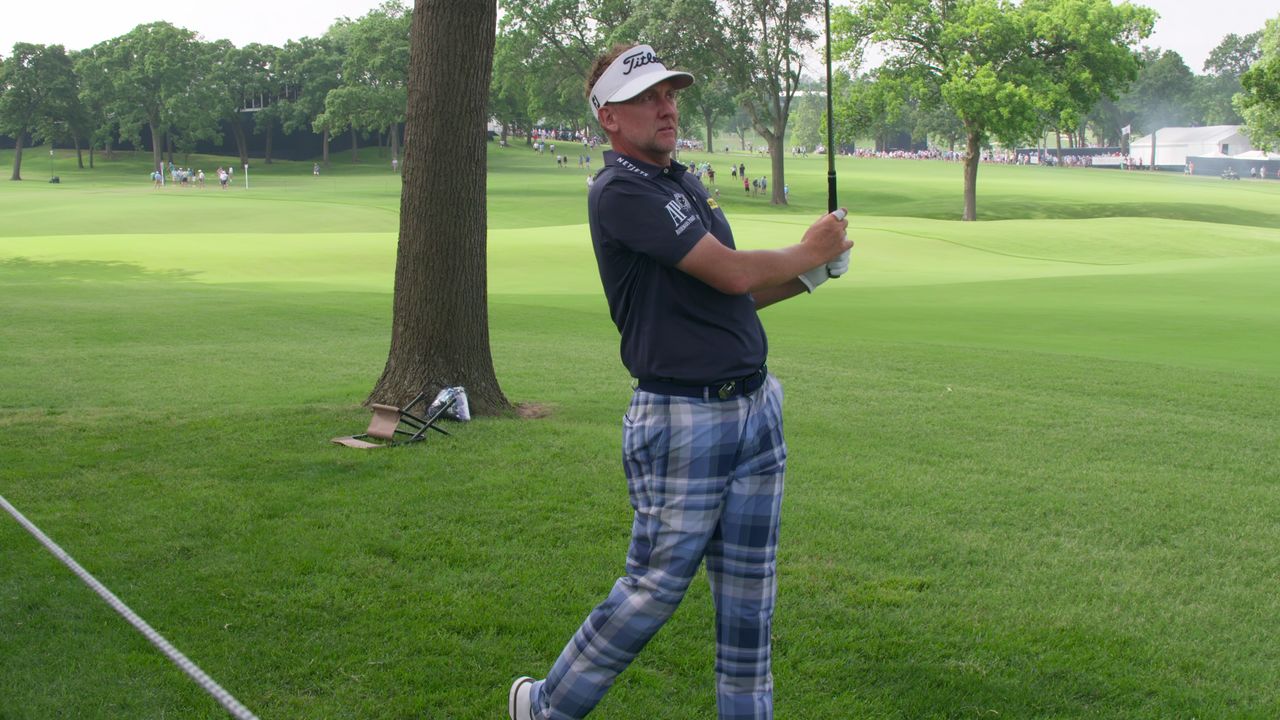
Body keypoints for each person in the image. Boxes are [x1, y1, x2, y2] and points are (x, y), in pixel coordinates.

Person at [508, 43, 851, 720]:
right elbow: (729, 271)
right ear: (608, 116)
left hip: (755, 407)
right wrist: (810, 248)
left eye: (668, 94)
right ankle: (544, 708)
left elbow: (732, 296)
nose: (665, 107)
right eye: (645, 98)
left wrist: (809, 275)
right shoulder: (622, 192)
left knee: (751, 599)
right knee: (654, 588)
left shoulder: (679, 184)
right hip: (683, 417)